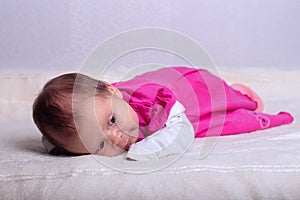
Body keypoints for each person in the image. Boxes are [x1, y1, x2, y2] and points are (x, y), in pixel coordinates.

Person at [32, 66, 294, 160]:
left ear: (112, 90)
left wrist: (140, 152)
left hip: (190, 91)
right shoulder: (95, 111)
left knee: (224, 118)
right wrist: (58, 142)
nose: (116, 137)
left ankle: (241, 97)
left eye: (111, 120)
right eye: (99, 145)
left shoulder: (154, 103)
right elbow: (63, 136)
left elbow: (180, 135)